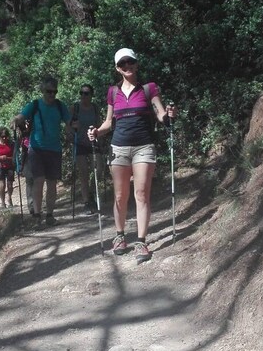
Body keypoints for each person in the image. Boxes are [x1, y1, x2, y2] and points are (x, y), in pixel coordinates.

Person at [88, 48, 176, 264]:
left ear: (136, 64)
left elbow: (161, 114)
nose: (127, 66)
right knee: (120, 196)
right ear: (118, 68)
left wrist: (170, 116)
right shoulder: (113, 92)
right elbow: (109, 122)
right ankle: (119, 237)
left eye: (130, 62)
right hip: (118, 147)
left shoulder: (149, 88)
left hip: (144, 147)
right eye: (122, 64)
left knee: (141, 193)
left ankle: (141, 241)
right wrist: (97, 132)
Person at [13, 77, 72, 226]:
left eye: (54, 91)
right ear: (42, 90)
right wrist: (16, 120)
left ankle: (50, 215)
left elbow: (69, 121)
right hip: (37, 149)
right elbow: (22, 116)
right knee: (38, 181)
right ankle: (37, 216)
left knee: (52, 183)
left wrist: (74, 128)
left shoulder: (60, 106)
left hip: (54, 149)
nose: (52, 94)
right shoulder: (34, 105)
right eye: (49, 91)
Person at [71, 84, 103, 215]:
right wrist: (72, 132)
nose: (83, 96)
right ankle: (86, 202)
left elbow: (100, 124)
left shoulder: (95, 108)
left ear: (91, 95)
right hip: (79, 143)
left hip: (94, 142)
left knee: (99, 169)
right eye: (82, 93)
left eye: (87, 93)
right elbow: (68, 125)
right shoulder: (75, 107)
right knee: (83, 172)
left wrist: (100, 138)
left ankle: (90, 192)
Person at [0, 127, 15, 208]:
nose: (4, 138)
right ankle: (2, 202)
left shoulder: (11, 144)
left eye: (5, 136)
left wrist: (7, 158)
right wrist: (0, 158)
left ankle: (9, 198)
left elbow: (14, 157)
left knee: (10, 185)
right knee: (2, 185)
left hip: (10, 166)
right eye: (2, 136)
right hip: (0, 166)